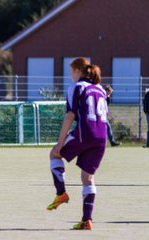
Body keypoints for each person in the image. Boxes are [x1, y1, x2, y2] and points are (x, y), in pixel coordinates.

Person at [46, 57, 108, 230]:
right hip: (101, 137)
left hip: (85, 133)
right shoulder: (100, 89)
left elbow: (70, 115)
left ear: (77, 71)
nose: (70, 76)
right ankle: (86, 220)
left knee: (54, 153)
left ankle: (60, 193)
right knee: (87, 178)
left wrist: (60, 143)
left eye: (71, 71)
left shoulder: (77, 87)